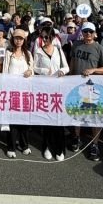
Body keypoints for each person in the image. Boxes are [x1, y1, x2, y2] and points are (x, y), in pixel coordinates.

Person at [68, 22, 103, 160]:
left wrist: (93, 70)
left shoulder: (99, 47)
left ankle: (95, 145)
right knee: (76, 113)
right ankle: (76, 137)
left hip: (93, 86)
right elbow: (72, 62)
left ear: (94, 33)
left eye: (90, 32)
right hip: (76, 84)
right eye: (85, 31)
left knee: (94, 116)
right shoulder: (76, 45)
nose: (88, 34)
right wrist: (69, 77)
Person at [33, 25, 70, 161]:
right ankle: (47, 147)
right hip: (44, 88)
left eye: (47, 37)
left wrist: (62, 71)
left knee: (59, 121)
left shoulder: (59, 51)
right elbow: (34, 68)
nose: (45, 39)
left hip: (58, 88)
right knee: (47, 120)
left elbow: (66, 67)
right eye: (43, 37)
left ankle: (60, 149)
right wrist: (43, 71)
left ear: (53, 37)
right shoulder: (38, 51)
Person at [2, 28, 33, 158]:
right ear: (12, 39)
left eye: (21, 38)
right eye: (16, 38)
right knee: (13, 121)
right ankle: (11, 147)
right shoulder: (8, 53)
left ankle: (24, 145)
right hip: (12, 92)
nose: (18, 40)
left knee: (24, 121)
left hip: (25, 92)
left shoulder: (28, 54)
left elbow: (32, 71)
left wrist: (29, 73)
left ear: (24, 40)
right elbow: (4, 72)